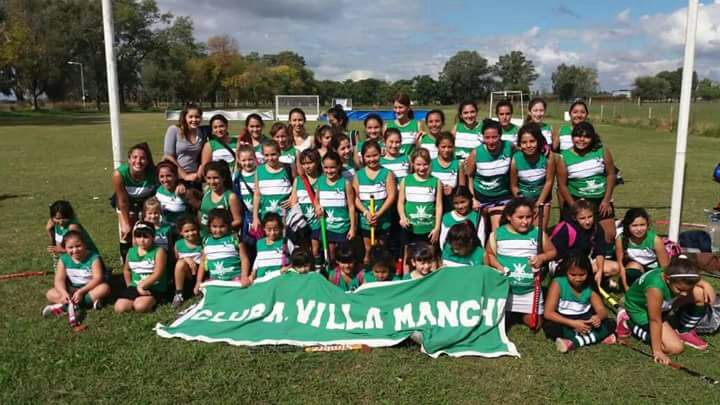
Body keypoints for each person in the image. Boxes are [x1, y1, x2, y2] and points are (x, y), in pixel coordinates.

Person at [616, 257, 716, 363]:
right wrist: (657, 351)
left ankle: (683, 331)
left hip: (662, 304)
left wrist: (706, 285)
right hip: (641, 310)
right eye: (680, 289)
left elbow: (691, 279)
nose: (684, 294)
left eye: (688, 290)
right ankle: (628, 323)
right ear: (667, 279)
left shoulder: (673, 272)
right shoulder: (655, 288)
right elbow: (655, 320)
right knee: (675, 348)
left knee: (700, 293)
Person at [486, 198, 556, 328]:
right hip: (504, 290)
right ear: (509, 217)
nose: (525, 221)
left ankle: (518, 313)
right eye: (520, 217)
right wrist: (498, 266)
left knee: (535, 325)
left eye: (528, 217)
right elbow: (489, 254)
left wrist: (542, 257)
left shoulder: (537, 233)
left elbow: (552, 252)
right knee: (497, 323)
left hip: (530, 290)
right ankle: (509, 311)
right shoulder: (498, 234)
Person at [556, 122, 617, 243]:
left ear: (592, 138)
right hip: (577, 200)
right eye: (578, 136)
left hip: (600, 201)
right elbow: (562, 185)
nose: (581, 140)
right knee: (576, 238)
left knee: (609, 235)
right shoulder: (564, 156)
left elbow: (611, 174)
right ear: (572, 137)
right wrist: (574, 206)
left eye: (586, 137)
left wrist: (606, 200)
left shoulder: (602, 150)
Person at [543, 254, 616, 353]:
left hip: (586, 320)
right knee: (550, 326)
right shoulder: (558, 283)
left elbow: (602, 310)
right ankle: (596, 336)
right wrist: (573, 324)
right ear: (566, 271)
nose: (578, 279)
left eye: (582, 275)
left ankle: (574, 342)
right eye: (573, 275)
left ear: (588, 272)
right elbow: (548, 313)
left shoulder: (590, 286)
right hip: (565, 320)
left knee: (610, 323)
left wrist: (598, 317)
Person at [42, 231, 110, 317]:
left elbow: (98, 278)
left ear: (85, 245)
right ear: (65, 248)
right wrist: (64, 293)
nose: (75, 250)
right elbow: (59, 280)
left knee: (104, 288)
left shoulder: (94, 258)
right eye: (70, 247)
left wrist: (81, 292)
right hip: (72, 289)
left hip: (90, 288)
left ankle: (67, 306)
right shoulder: (63, 259)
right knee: (50, 294)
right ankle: (84, 303)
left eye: (78, 246)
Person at [550, 200, 616, 286]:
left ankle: (594, 279)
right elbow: (556, 255)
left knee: (615, 268)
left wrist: (600, 270)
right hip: (563, 263)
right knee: (577, 274)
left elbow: (600, 251)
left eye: (590, 216)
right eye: (582, 218)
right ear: (574, 218)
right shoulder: (565, 229)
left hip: (585, 261)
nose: (587, 221)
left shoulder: (596, 227)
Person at [398, 148, 443, 271]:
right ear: (413, 164)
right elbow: (400, 202)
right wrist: (402, 217)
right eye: (418, 164)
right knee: (408, 257)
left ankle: (432, 280)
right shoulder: (406, 181)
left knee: (431, 256)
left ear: (430, 164)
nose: (422, 168)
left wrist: (437, 228)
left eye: (425, 164)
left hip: (428, 228)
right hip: (410, 228)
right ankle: (407, 279)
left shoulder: (436, 182)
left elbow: (439, 206)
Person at [466, 119, 514, 232]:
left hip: (501, 197)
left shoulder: (509, 146)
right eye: (487, 137)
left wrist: (544, 148)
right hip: (480, 198)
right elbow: (469, 177)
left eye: (494, 137)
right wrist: (473, 198)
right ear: (482, 137)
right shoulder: (476, 153)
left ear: (500, 136)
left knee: (497, 230)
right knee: (479, 232)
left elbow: (524, 152)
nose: (491, 141)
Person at [112, 143, 157, 261]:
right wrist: (125, 222)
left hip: (146, 202)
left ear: (147, 161)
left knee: (148, 227)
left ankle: (150, 258)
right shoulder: (119, 174)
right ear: (129, 159)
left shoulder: (154, 173)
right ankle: (127, 261)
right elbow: (122, 201)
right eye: (135, 157)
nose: (138, 161)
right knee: (126, 231)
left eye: (142, 158)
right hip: (127, 202)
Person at [354, 140, 397, 265]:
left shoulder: (387, 173)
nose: (372, 159)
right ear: (363, 157)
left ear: (380, 154)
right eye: (368, 156)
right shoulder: (358, 175)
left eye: (375, 155)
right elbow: (355, 198)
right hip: (366, 221)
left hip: (383, 220)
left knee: (381, 249)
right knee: (368, 250)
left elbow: (392, 196)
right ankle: (368, 271)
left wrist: (379, 213)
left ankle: (382, 270)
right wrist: (366, 213)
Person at [114, 222, 168, 313]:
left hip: (153, 287)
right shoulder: (131, 251)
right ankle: (135, 300)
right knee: (119, 308)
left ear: (153, 237)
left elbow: (158, 273)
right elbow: (127, 270)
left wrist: (141, 286)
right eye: (138, 237)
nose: (142, 240)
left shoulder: (159, 251)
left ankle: (155, 300)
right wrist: (129, 285)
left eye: (146, 237)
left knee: (140, 307)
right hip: (135, 285)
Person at [194, 209, 251, 294]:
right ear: (209, 226)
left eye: (222, 226)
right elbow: (202, 262)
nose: (218, 230)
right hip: (215, 281)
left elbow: (244, 259)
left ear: (228, 225)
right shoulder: (206, 241)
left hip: (235, 279)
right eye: (214, 226)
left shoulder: (234, 238)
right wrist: (198, 282)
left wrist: (244, 276)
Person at [509, 123, 555, 230]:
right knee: (523, 232)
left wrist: (538, 204)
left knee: (539, 232)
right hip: (523, 201)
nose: (528, 145)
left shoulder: (548, 157)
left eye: (532, 141)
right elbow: (514, 186)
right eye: (524, 142)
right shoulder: (516, 159)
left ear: (538, 141)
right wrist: (524, 203)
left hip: (542, 200)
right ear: (519, 144)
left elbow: (549, 182)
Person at [314, 151, 356, 264]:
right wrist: (317, 207)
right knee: (331, 256)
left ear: (339, 166)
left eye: (332, 167)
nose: (329, 171)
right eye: (326, 167)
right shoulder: (320, 181)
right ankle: (332, 271)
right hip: (327, 227)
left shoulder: (345, 183)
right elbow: (316, 199)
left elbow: (351, 206)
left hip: (343, 227)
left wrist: (352, 228)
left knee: (344, 256)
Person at [616, 208, 670, 290]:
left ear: (647, 224)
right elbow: (621, 265)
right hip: (637, 267)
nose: (639, 229)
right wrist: (626, 287)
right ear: (627, 225)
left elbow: (665, 267)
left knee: (653, 285)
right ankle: (635, 288)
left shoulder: (655, 240)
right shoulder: (621, 239)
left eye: (642, 225)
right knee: (631, 272)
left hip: (654, 269)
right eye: (634, 225)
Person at [290, 149, 322, 265]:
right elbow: (294, 202)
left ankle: (318, 267)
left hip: (317, 222)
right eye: (304, 163)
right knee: (304, 249)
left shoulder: (322, 179)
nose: (307, 166)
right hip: (303, 222)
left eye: (310, 163)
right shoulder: (298, 180)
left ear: (317, 162)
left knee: (315, 250)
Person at [252, 140, 293, 230]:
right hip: (266, 219)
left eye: (273, 154)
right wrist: (255, 217)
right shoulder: (259, 170)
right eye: (266, 155)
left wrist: (293, 198)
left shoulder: (288, 168)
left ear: (279, 153)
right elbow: (257, 195)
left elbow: (297, 185)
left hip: (286, 218)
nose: (270, 158)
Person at [163, 103, 205, 184]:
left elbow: (201, 156)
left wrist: (198, 174)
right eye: (190, 117)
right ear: (184, 117)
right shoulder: (174, 130)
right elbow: (168, 156)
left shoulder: (201, 133)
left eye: (197, 117)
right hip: (175, 176)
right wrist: (184, 176)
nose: (194, 120)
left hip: (194, 177)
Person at [199, 161, 242, 236]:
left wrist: (219, 229)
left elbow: (238, 220)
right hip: (204, 237)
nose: (212, 182)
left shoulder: (230, 197)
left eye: (216, 178)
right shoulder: (207, 192)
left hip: (223, 238)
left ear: (223, 178)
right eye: (209, 178)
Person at [171, 216, 203, 308]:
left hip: (200, 273)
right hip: (185, 276)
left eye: (193, 230)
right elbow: (177, 260)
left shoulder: (202, 242)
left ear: (198, 229)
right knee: (181, 263)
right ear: (181, 232)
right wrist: (186, 259)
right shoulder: (178, 244)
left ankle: (199, 290)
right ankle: (179, 294)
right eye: (186, 231)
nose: (191, 233)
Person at [432, 132, 465, 210]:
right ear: (437, 146)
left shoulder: (458, 164)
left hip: (451, 204)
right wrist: (439, 189)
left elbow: (462, 188)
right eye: (443, 147)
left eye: (449, 147)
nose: (446, 150)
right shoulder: (430, 164)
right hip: (434, 205)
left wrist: (453, 190)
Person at [233, 145, 258, 248]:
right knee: (248, 244)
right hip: (246, 217)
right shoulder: (237, 176)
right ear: (239, 161)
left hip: (260, 215)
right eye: (244, 160)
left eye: (250, 159)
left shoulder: (260, 173)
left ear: (255, 158)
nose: (247, 163)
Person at [155, 160, 191, 228]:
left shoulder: (183, 191)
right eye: (161, 176)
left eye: (169, 176)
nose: (165, 180)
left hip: (180, 229)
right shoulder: (158, 190)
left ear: (176, 176)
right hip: (163, 229)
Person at [252, 213, 287, 280]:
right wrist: (253, 273)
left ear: (280, 228)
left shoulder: (285, 242)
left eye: (276, 229)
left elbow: (294, 258)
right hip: (262, 280)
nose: (272, 233)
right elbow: (258, 259)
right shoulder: (259, 243)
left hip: (279, 279)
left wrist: (288, 267)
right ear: (264, 228)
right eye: (269, 230)